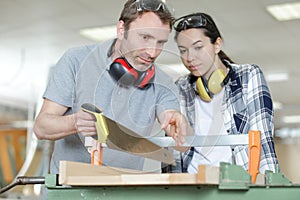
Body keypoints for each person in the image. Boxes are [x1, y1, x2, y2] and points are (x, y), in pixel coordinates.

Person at [33, 0, 188, 175]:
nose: (152, 53)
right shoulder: (76, 60)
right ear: (122, 30)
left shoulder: (163, 82)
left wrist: (177, 123)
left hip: (121, 190)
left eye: (160, 42)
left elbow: (172, 122)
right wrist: (75, 122)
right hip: (69, 189)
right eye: (145, 38)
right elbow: (41, 127)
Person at [172, 12, 279, 173]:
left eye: (198, 47)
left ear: (217, 45)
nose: (190, 57)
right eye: (183, 50)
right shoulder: (182, 87)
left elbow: (262, 138)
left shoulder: (248, 76)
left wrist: (266, 188)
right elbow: (176, 149)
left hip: (236, 183)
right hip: (192, 185)